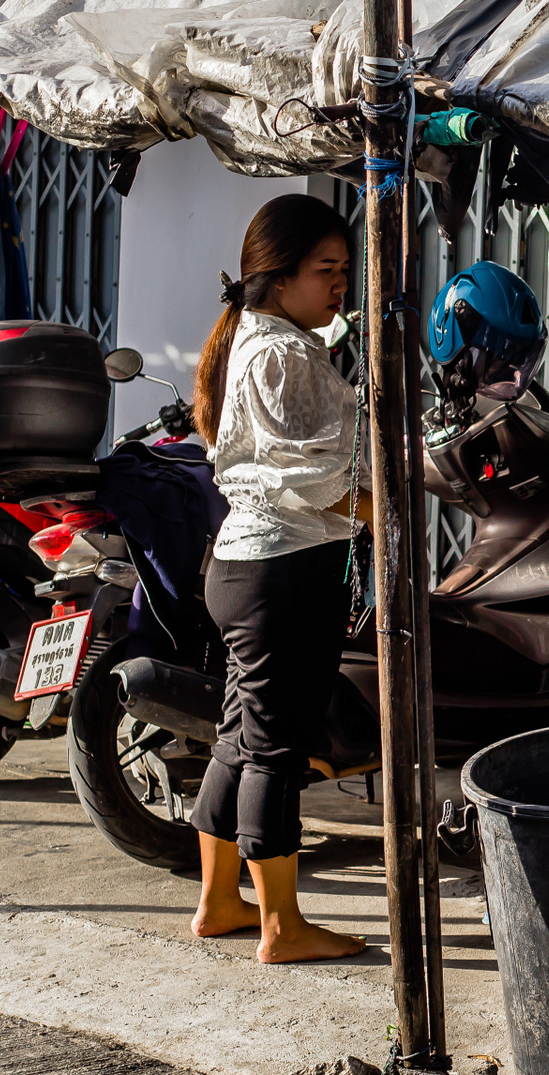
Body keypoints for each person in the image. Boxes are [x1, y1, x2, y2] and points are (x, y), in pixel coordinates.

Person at [186, 194, 369, 964]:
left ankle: (219, 902)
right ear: (279, 275)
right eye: (327, 269)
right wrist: (379, 510)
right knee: (273, 749)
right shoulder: (282, 353)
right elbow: (312, 478)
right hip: (281, 571)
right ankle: (281, 926)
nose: (341, 284)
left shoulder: (266, 341)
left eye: (345, 269)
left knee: (239, 738)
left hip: (250, 566)